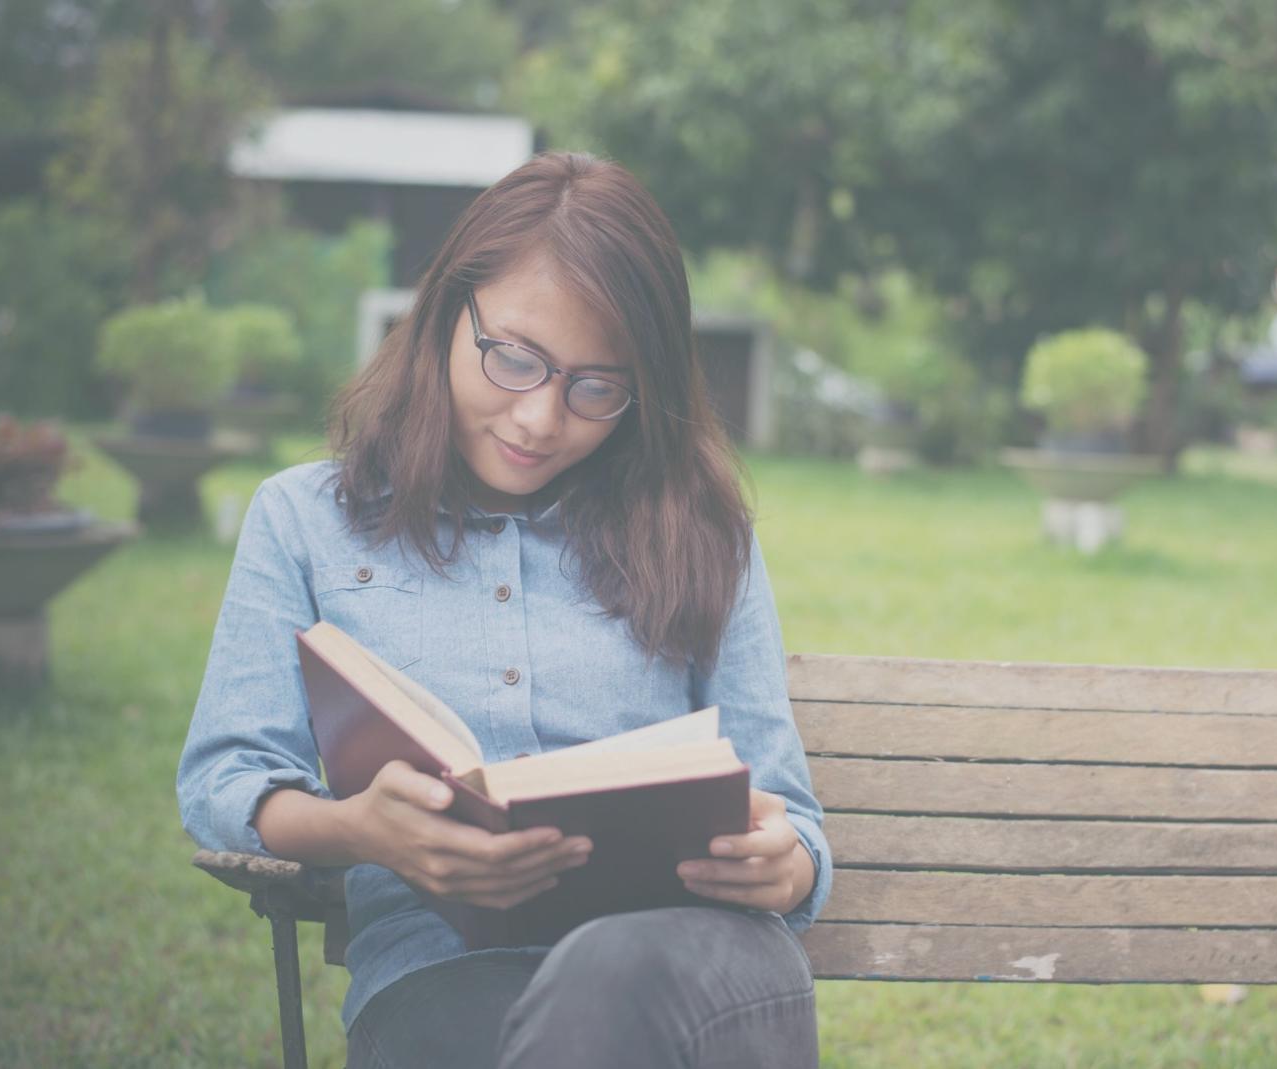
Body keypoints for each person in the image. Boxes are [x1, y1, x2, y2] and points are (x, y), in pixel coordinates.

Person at [176, 151, 830, 1069]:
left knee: (609, 982)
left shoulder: (703, 532)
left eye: (596, 387)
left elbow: (791, 820)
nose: (539, 419)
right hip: (440, 972)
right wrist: (361, 828)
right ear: (448, 312)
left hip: (693, 962)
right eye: (515, 360)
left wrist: (783, 860)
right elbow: (227, 779)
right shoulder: (305, 519)